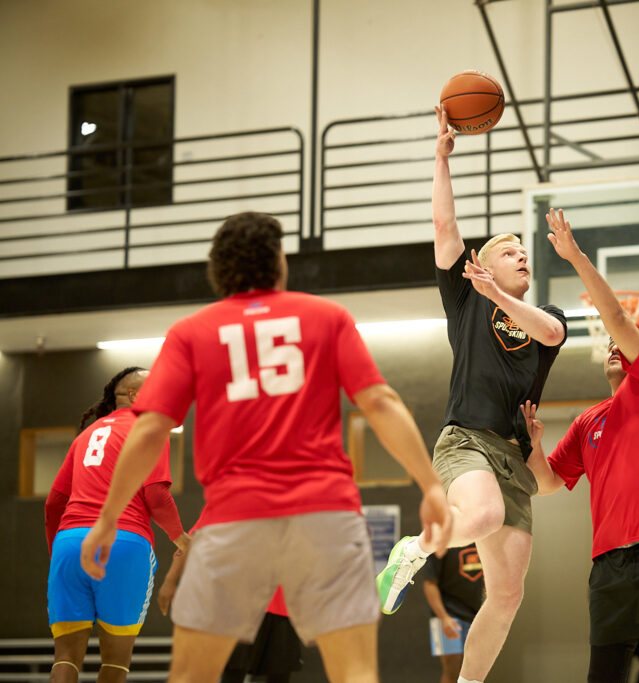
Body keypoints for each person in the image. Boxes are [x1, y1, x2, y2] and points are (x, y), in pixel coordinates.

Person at [78, 211, 451, 683]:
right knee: (355, 673)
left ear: (218, 268)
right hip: (327, 516)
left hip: (234, 520)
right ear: (278, 260)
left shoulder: (191, 332)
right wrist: (430, 486)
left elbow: (150, 429)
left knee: (193, 676)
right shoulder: (326, 317)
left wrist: (108, 518)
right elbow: (380, 402)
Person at [375, 106, 567, 683]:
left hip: (513, 457)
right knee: (481, 515)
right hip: (467, 441)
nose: (522, 256)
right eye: (509, 252)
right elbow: (444, 227)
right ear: (480, 265)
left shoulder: (545, 314)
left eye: (524, 253)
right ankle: (413, 550)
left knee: (507, 596)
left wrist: (500, 295)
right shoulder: (465, 298)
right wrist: (441, 158)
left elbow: (550, 334)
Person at [522, 208, 639, 683]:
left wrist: (576, 258)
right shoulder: (588, 421)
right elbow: (546, 483)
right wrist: (533, 445)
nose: (614, 346)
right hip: (611, 563)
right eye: (610, 344)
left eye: (624, 343)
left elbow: (617, 319)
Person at [44, 367, 188, 683]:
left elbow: (54, 503)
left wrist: (59, 552)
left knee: (65, 658)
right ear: (134, 395)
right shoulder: (150, 429)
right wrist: (181, 538)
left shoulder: (85, 436)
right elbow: (155, 494)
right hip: (123, 543)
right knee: (116, 662)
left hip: (69, 544)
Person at [158, 516, 302, 683]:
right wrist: (170, 581)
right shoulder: (234, 503)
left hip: (283, 604)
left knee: (280, 673)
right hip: (241, 605)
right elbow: (193, 539)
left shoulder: (295, 509)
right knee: (234, 672)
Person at [422, 544, 485, 683]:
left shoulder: (482, 542)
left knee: (474, 673)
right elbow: (429, 584)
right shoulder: (443, 543)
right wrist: (443, 618)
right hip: (448, 615)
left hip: (475, 616)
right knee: (452, 670)